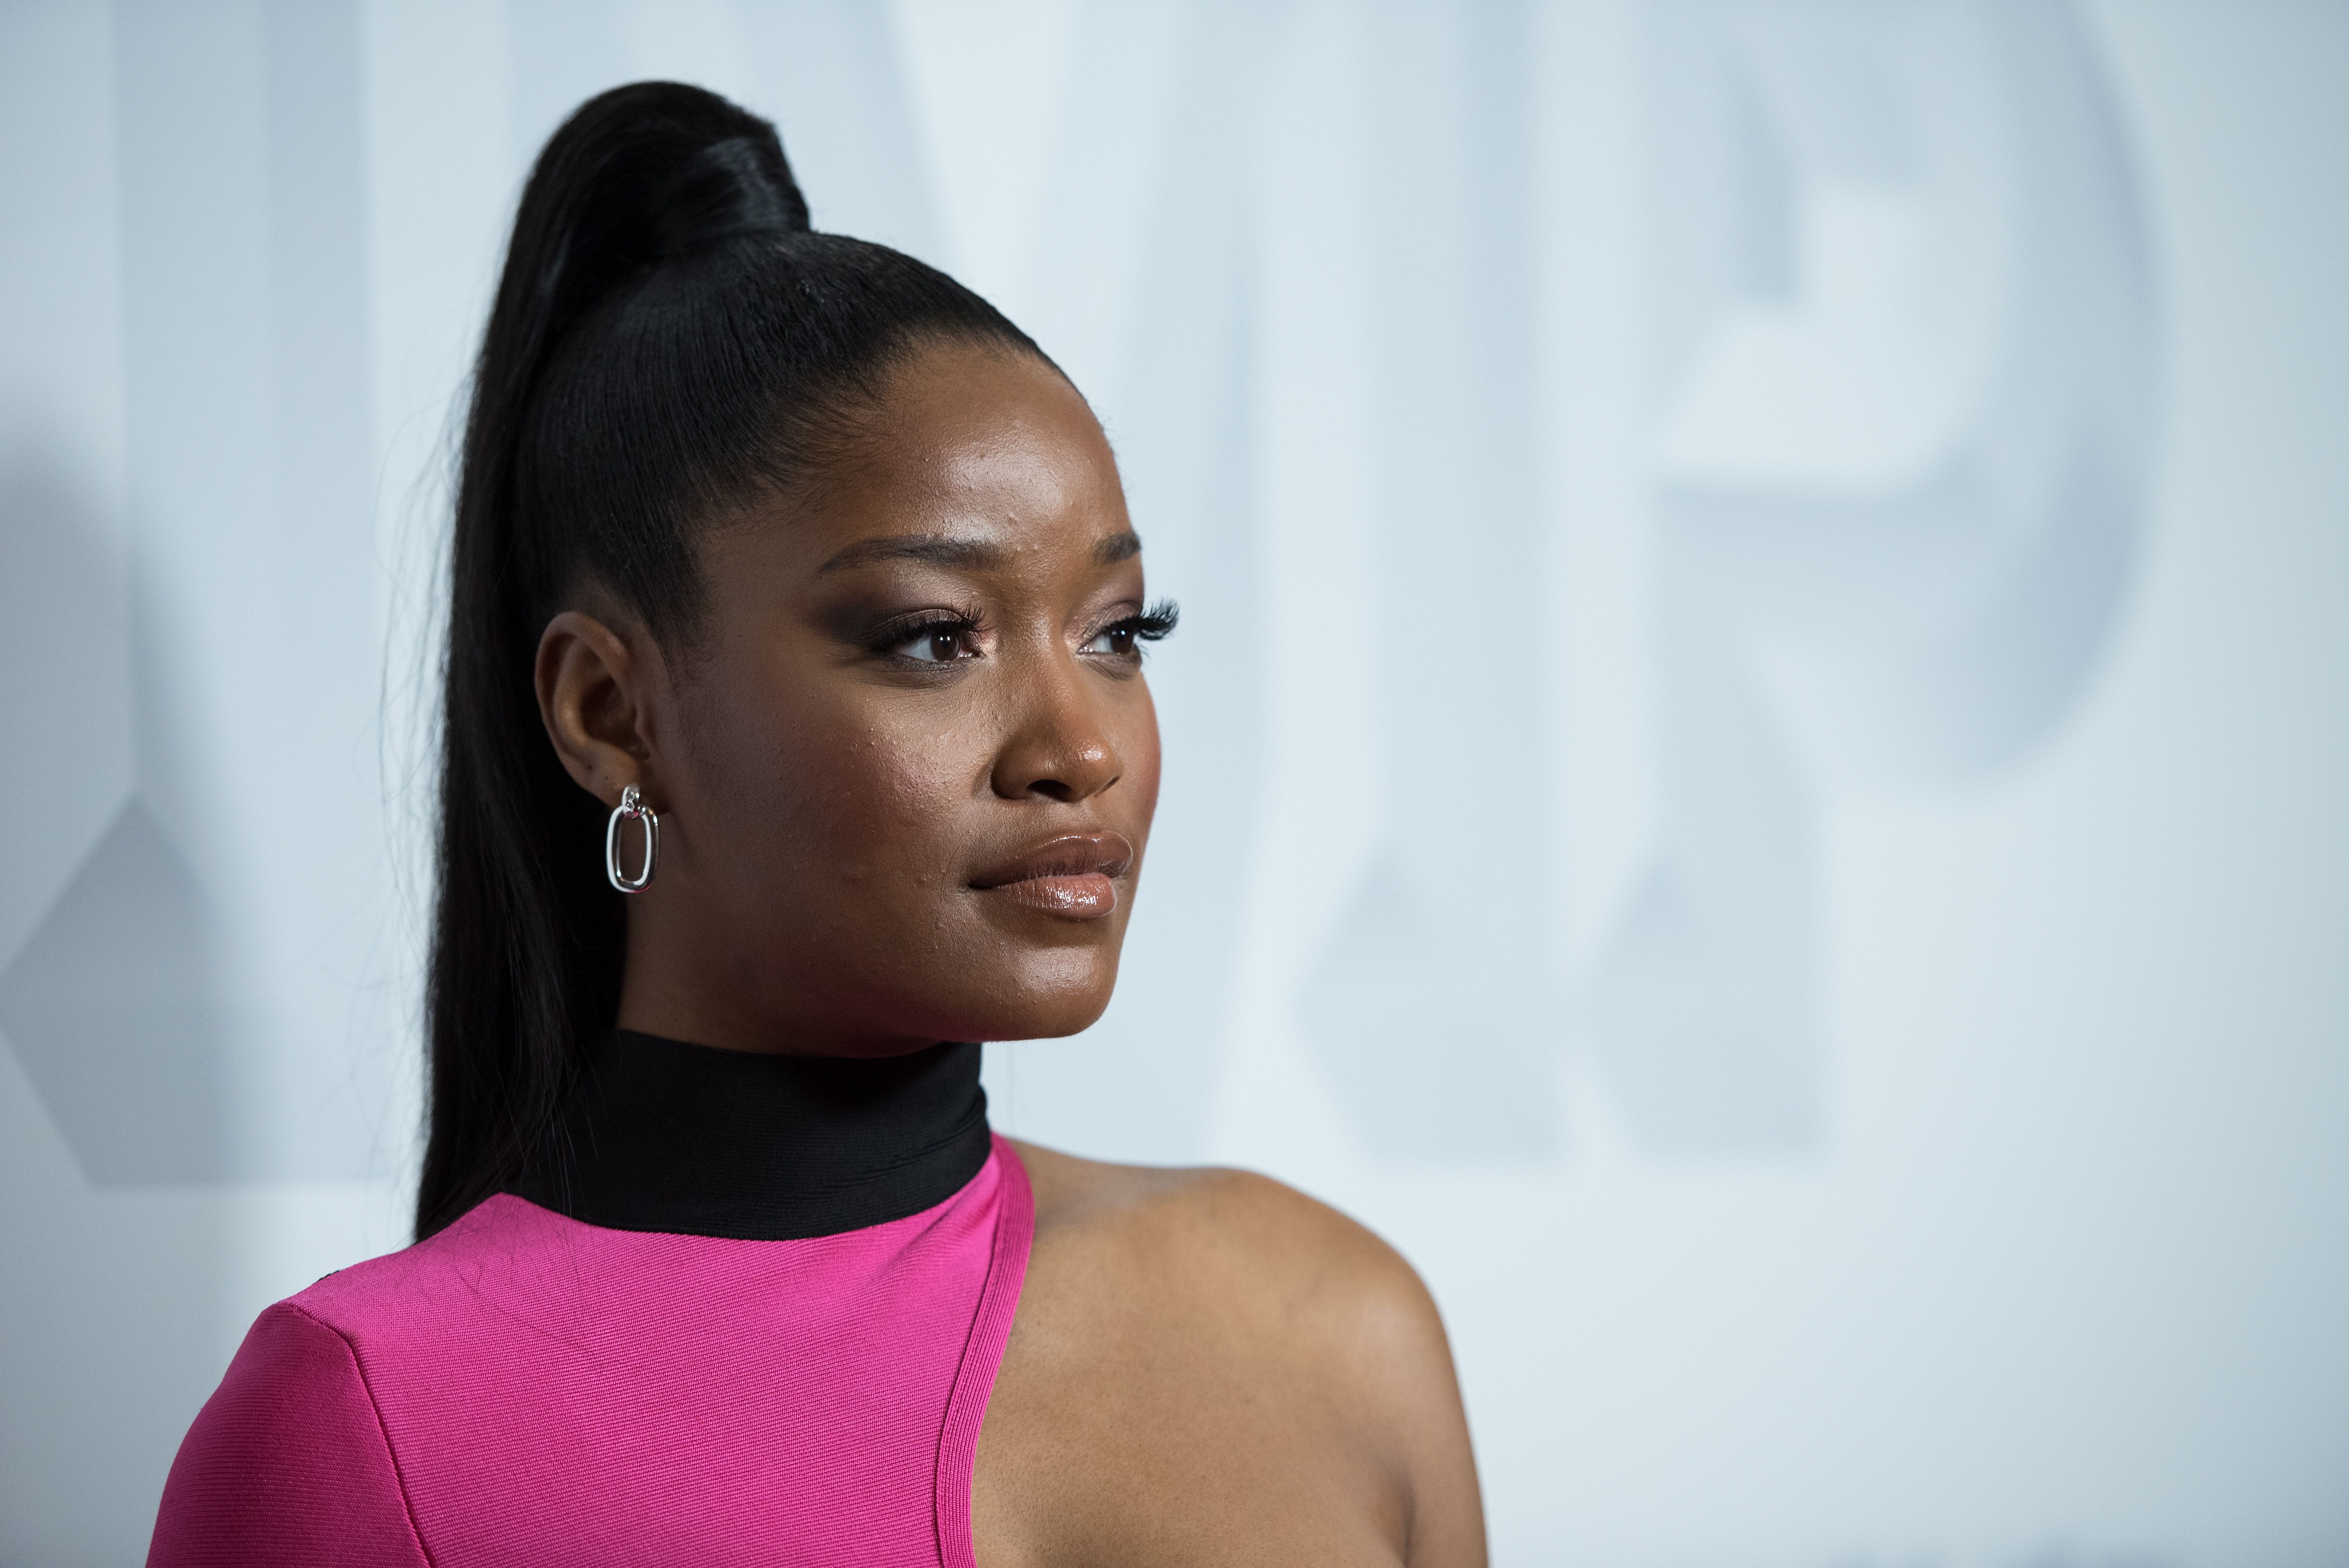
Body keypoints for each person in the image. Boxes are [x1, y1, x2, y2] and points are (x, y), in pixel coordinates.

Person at [148, 81, 1484, 1566]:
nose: (1080, 749)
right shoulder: (359, 1427)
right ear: (608, 713)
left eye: (1118, 631)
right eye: (932, 637)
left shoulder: (1340, 1328)